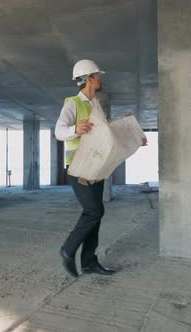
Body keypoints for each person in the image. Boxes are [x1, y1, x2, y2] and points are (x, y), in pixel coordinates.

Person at [54, 59, 147, 277]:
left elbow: (105, 135)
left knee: (95, 213)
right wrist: (75, 128)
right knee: (94, 211)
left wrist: (134, 138)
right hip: (79, 169)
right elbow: (59, 131)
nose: (101, 78)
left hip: (95, 168)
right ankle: (68, 249)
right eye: (97, 75)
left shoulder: (95, 104)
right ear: (88, 78)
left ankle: (88, 262)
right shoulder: (73, 104)